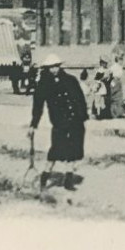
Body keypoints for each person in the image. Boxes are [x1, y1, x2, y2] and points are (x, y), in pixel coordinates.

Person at [28, 52, 89, 191]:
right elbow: (38, 106)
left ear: (60, 66)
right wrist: (33, 124)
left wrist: (83, 116)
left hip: (75, 120)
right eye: (51, 67)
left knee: (74, 149)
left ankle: (68, 179)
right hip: (59, 121)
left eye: (56, 66)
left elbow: (80, 100)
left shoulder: (71, 80)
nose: (54, 69)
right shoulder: (43, 84)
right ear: (47, 68)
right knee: (56, 150)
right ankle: (45, 176)